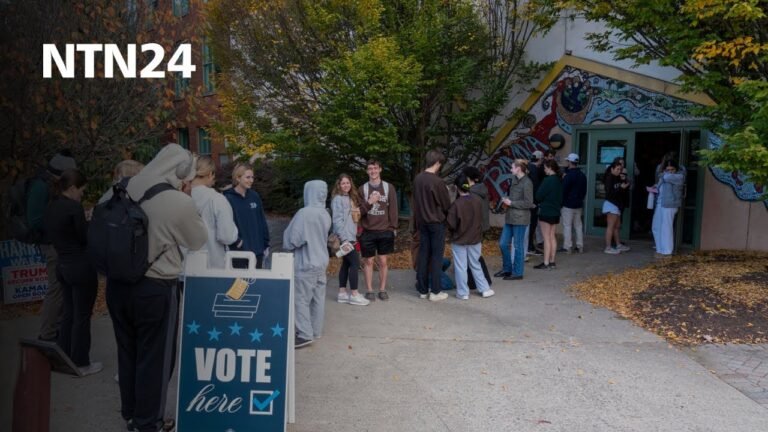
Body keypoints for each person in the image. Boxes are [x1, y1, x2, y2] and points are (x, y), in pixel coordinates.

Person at [107, 144, 207, 432]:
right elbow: (198, 240)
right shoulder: (176, 200)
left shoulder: (121, 187)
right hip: (155, 287)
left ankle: (131, 414)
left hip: (117, 285)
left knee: (128, 352)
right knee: (155, 358)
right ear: (182, 173)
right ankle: (148, 422)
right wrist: (186, 199)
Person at [43, 169, 101, 375]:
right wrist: (89, 221)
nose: (82, 195)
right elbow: (84, 237)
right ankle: (81, 361)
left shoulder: (52, 206)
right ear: (73, 188)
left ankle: (63, 356)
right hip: (80, 266)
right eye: (82, 190)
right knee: (82, 316)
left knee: (68, 313)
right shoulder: (73, 207)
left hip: (62, 265)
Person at [32, 150, 78, 342]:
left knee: (62, 288)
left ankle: (56, 329)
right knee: (56, 289)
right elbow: (35, 220)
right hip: (52, 245)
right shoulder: (41, 187)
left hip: (57, 244)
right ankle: (47, 334)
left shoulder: (49, 186)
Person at [283, 180, 332, 348]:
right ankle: (315, 330)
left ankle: (304, 333)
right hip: (321, 262)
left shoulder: (304, 213)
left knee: (301, 300)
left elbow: (293, 240)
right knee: (318, 299)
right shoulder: (325, 213)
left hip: (306, 263)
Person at [413, 150, 452, 301]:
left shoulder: (418, 179)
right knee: (436, 257)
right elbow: (446, 204)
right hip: (436, 223)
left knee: (423, 255)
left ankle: (422, 289)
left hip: (422, 222)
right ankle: (435, 291)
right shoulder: (437, 182)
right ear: (437, 163)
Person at [447, 174, 494, 300]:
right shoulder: (477, 201)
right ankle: (484, 289)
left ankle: (463, 292)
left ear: (457, 188)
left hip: (459, 239)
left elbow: (451, 224)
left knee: (461, 266)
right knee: (475, 264)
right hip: (475, 238)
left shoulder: (456, 205)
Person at [358, 160, 398, 301]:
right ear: (367, 171)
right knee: (368, 261)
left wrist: (392, 228)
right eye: (370, 169)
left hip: (384, 230)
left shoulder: (388, 188)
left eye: (375, 168)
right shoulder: (362, 189)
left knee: (383, 261)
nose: (373, 171)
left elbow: (393, 209)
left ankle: (382, 289)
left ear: (380, 169)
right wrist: (370, 202)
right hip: (368, 231)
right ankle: (369, 290)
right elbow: (359, 212)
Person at [190, 156, 240, 269]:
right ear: (210, 174)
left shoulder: (180, 197)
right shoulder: (217, 199)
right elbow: (227, 236)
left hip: (185, 266)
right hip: (213, 265)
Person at [331, 174, 370, 306]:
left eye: (347, 183)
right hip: (346, 238)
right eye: (343, 183)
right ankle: (354, 294)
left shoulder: (350, 198)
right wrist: (344, 238)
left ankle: (342, 293)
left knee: (346, 264)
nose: (346, 185)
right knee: (355, 264)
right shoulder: (337, 199)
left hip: (351, 236)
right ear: (339, 185)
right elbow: (336, 220)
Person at [224, 163, 270, 269]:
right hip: (238, 251)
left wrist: (266, 243)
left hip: (257, 250)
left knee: (255, 283)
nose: (251, 180)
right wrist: (237, 242)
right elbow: (226, 225)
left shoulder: (254, 196)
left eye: (252, 177)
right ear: (238, 178)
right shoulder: (228, 198)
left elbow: (262, 220)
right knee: (240, 284)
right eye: (247, 177)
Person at [496, 159, 534, 280]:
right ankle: (507, 269)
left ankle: (518, 273)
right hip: (510, 217)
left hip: (520, 219)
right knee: (502, 244)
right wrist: (507, 200)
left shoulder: (527, 182)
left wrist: (511, 202)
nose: (511, 169)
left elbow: (529, 203)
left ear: (518, 168)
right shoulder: (514, 180)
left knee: (518, 246)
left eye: (512, 167)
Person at [463, 166, 492, 290]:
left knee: (472, 256)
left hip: (474, 226)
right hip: (482, 225)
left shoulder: (472, 193)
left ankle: (477, 282)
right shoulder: (481, 189)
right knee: (475, 255)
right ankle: (478, 281)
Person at [651, 160, 685, 257]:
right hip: (660, 204)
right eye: (667, 169)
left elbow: (666, 176)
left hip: (670, 205)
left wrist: (662, 174)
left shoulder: (679, 176)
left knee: (666, 228)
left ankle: (667, 251)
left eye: (672, 169)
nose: (669, 171)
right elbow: (661, 182)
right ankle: (660, 248)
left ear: (676, 169)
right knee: (656, 227)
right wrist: (655, 187)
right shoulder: (664, 176)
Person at [534, 160, 563, 269]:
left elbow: (538, 196)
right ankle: (552, 261)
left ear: (550, 167)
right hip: (556, 212)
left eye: (545, 168)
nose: (544, 170)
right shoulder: (559, 180)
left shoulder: (547, 180)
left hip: (546, 211)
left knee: (546, 237)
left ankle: (545, 262)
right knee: (552, 236)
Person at [560, 153, 587, 253]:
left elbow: (563, 190)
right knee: (578, 226)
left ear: (570, 162)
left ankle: (568, 246)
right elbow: (584, 191)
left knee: (567, 226)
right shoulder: (582, 175)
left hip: (568, 204)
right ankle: (580, 246)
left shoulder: (568, 176)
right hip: (578, 204)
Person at [602, 161, 630, 254]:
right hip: (611, 204)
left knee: (617, 226)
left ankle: (618, 244)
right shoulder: (609, 178)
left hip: (617, 204)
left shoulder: (618, 177)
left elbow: (623, 189)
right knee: (611, 226)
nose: (619, 171)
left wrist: (624, 181)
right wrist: (621, 188)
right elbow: (610, 193)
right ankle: (608, 247)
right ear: (612, 169)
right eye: (617, 169)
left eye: (620, 169)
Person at [527, 150, 544, 255]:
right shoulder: (534, 171)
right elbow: (535, 188)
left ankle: (529, 245)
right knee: (532, 225)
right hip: (532, 203)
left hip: (527, 202)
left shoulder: (528, 168)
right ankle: (529, 246)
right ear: (540, 159)